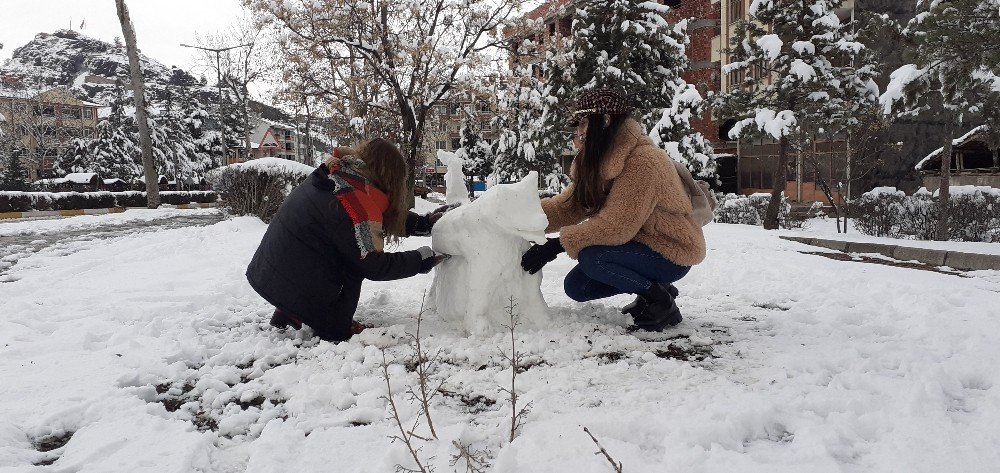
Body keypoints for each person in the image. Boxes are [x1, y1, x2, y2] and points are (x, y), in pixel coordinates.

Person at [521, 87, 707, 331]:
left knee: (593, 258)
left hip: (670, 251)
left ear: (606, 120)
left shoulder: (644, 161)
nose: (578, 132)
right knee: (578, 287)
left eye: (583, 123)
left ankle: (659, 300)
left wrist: (556, 245)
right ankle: (655, 287)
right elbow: (568, 208)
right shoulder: (603, 162)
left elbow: (616, 226)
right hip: (636, 246)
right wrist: (521, 217)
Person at [246, 138, 449, 342]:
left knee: (339, 252)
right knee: (354, 264)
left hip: (271, 273)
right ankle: (333, 326)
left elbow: (382, 213)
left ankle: (290, 311)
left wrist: (422, 223)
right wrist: (420, 260)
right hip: (292, 278)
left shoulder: (342, 175)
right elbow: (374, 266)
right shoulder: (354, 203)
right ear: (391, 177)